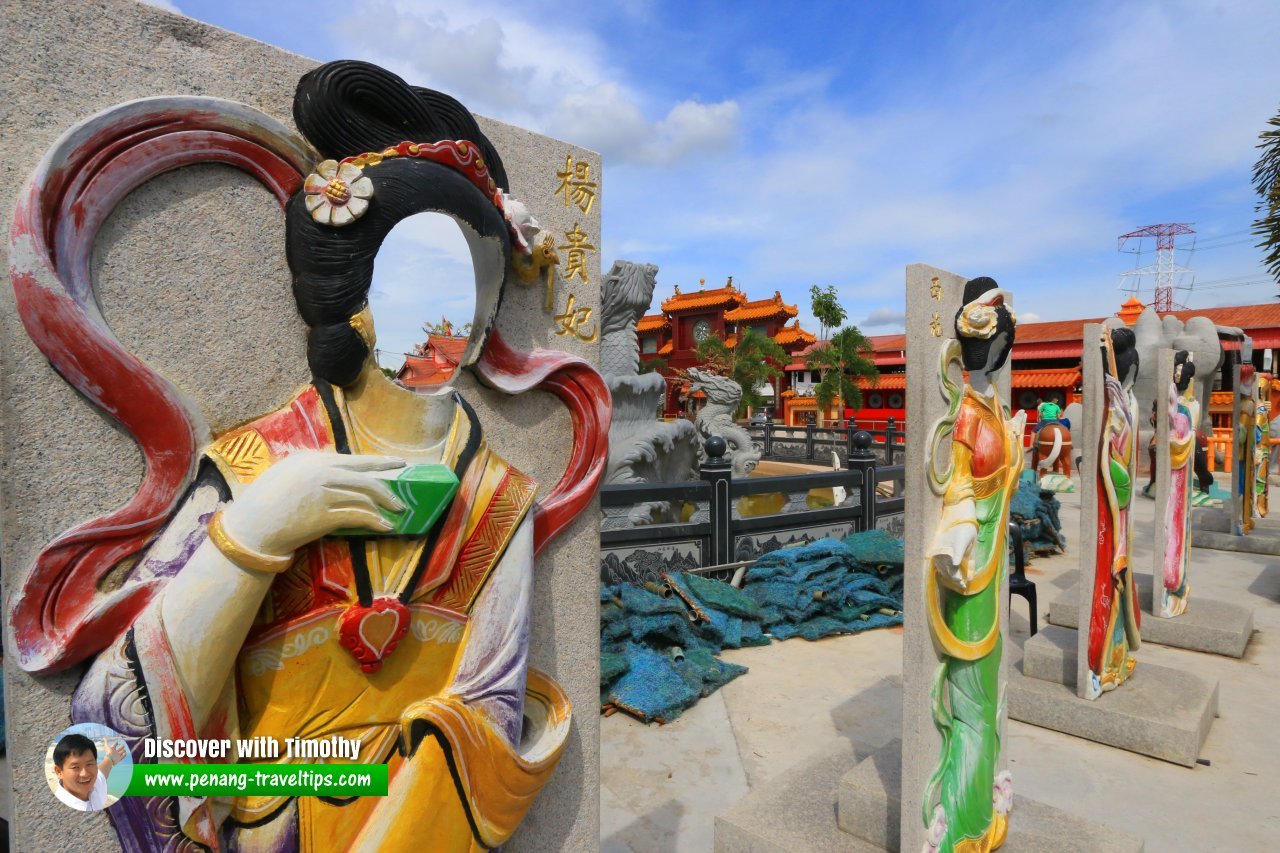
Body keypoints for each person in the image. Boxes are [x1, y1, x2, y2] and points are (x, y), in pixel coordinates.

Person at [47, 61, 573, 852]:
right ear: (352, 294)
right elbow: (114, 727)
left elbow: (488, 715)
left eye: (479, 282)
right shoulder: (257, 466)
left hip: (416, 826)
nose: (453, 316)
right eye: (424, 278)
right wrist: (252, 538)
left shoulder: (499, 498)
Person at [52, 733, 127, 812]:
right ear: (59, 772)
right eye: (75, 767)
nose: (85, 774)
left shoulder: (95, 786)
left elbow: (102, 771)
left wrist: (110, 758)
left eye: (89, 764)